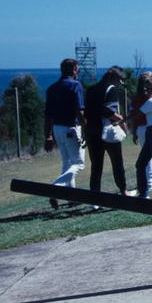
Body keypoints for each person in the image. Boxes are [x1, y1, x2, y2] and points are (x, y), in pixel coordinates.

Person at [84, 66, 133, 209]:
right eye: (121, 80)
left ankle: (95, 199)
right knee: (117, 163)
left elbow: (87, 111)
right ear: (113, 78)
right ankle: (123, 191)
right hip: (108, 131)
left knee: (96, 166)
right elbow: (108, 111)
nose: (121, 83)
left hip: (92, 132)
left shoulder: (91, 89)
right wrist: (120, 118)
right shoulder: (111, 89)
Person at [44, 58, 86, 210]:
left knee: (67, 163)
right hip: (71, 127)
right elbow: (79, 110)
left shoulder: (52, 88)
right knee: (79, 164)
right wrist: (85, 128)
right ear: (74, 69)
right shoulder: (75, 85)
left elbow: (48, 115)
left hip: (57, 129)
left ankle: (71, 197)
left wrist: (48, 135)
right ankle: (56, 188)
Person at [127, 72, 152, 192]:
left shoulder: (135, 97)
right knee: (150, 157)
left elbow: (134, 116)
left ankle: (147, 181)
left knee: (145, 157)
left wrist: (134, 132)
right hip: (150, 127)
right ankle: (149, 182)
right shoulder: (150, 97)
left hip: (140, 128)